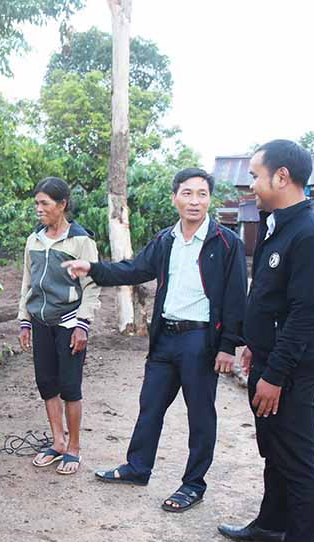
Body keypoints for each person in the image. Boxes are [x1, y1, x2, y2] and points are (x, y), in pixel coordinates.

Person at [63, 167, 247, 511]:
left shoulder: (226, 243)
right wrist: (93, 268)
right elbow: (134, 269)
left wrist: (228, 346)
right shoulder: (166, 240)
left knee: (200, 414)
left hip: (200, 341)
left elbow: (237, 296)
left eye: (202, 194)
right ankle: (137, 467)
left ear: (209, 199)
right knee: (150, 406)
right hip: (165, 338)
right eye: (188, 193)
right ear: (175, 197)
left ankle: (193, 484)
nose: (195, 201)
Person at [218, 140, 314, 542]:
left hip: (291, 368)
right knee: (272, 450)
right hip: (269, 357)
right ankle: (272, 523)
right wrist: (254, 344)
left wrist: (275, 375)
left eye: (254, 175)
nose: (250, 184)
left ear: (281, 177)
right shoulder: (277, 225)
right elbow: (273, 297)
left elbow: (306, 315)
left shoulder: (310, 236)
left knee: (296, 459)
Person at [17, 177, 100, 475]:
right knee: (47, 385)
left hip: (69, 324)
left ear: (62, 204)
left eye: (45, 204)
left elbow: (92, 287)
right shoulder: (34, 240)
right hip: (40, 322)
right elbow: (27, 283)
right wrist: (24, 321)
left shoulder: (80, 241)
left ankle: (74, 448)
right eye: (37, 203)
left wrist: (83, 325)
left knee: (70, 387)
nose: (39, 209)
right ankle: (57, 443)